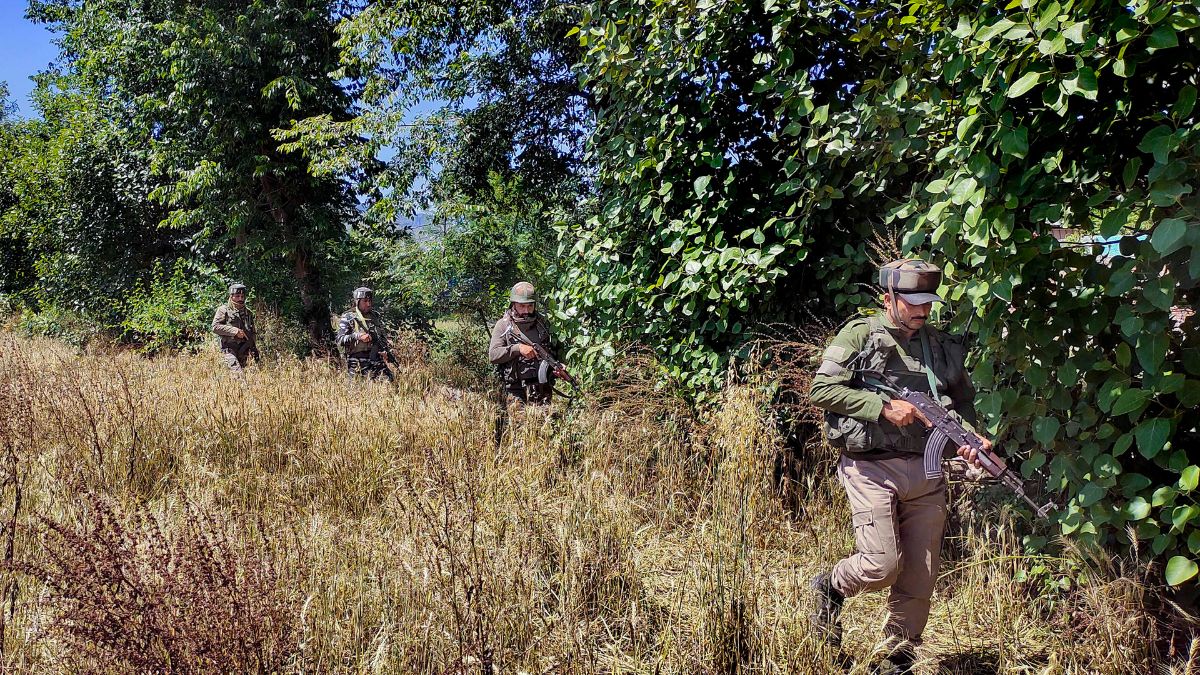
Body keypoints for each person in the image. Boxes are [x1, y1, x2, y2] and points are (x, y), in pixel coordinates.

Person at [808, 259, 989, 674]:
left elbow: (961, 402)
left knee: (920, 577)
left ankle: (895, 658)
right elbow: (822, 388)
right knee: (881, 564)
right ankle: (830, 587)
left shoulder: (939, 345)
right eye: (913, 303)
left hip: (925, 473)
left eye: (928, 303)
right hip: (871, 467)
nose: (922, 311)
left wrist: (970, 438)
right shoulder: (860, 335)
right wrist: (882, 407)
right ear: (887, 298)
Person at [488, 281, 567, 404]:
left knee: (544, 422)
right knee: (520, 422)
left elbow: (557, 348)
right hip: (516, 391)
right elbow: (493, 355)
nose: (526, 310)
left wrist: (561, 365)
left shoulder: (543, 323)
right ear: (513, 304)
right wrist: (517, 349)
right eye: (522, 306)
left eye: (530, 306)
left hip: (543, 388)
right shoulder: (503, 325)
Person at [336, 287, 394, 381]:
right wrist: (357, 336)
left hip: (375, 358)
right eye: (365, 301)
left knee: (390, 381)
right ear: (357, 301)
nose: (368, 304)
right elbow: (339, 339)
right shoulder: (348, 317)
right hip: (357, 360)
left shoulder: (375, 316)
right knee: (357, 389)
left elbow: (382, 337)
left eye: (370, 300)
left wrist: (386, 351)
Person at [211, 283, 259, 374]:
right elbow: (215, 327)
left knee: (252, 376)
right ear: (231, 296)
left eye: (242, 296)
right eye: (237, 296)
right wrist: (235, 331)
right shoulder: (223, 310)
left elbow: (252, 333)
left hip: (245, 350)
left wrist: (253, 349)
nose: (240, 299)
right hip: (229, 349)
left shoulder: (248, 313)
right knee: (238, 375)